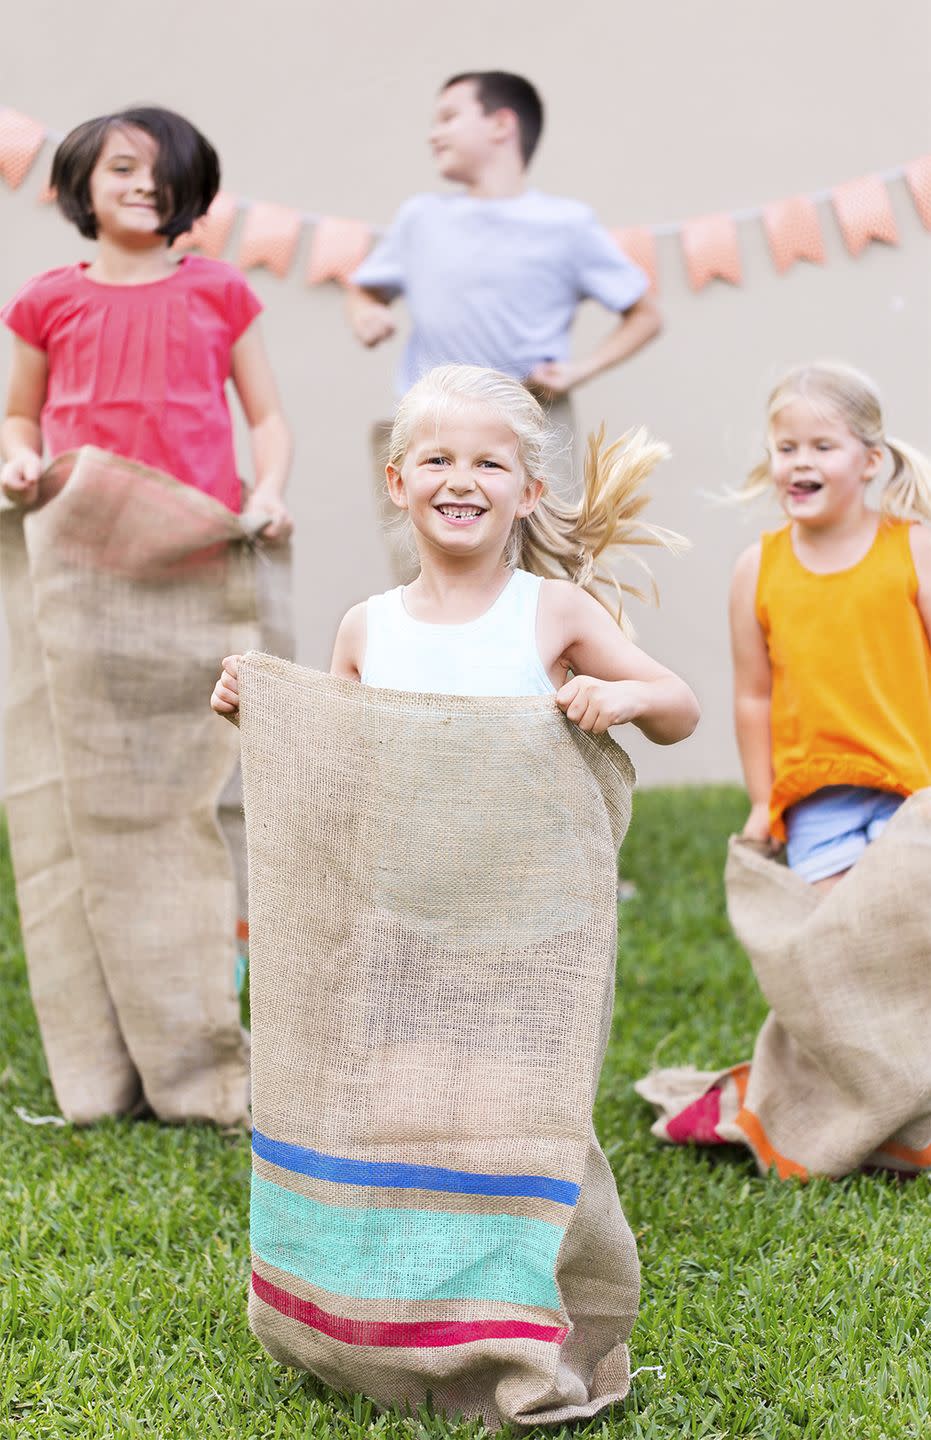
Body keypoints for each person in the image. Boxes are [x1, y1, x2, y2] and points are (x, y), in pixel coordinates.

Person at [213, 363, 697, 746]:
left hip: (528, 870)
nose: (461, 480)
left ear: (528, 493)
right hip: (401, 871)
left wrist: (624, 696)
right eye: (438, 460)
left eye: (488, 463)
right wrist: (259, 712)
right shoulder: (365, 628)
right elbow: (338, 764)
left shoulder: (554, 609)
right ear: (398, 484)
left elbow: (680, 710)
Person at [344, 71, 661, 575]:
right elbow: (363, 288)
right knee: (427, 585)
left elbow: (645, 315)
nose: (434, 133)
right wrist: (366, 312)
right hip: (430, 428)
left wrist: (581, 370)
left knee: (547, 578)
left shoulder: (566, 225)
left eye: (448, 117)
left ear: (501, 124)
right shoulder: (420, 220)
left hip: (528, 422)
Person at [1, 105, 291, 531]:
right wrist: (22, 457)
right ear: (82, 184)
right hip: (78, 530)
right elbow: (19, 415)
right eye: (123, 168)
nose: (146, 185)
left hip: (202, 530)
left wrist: (268, 492)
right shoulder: (44, 300)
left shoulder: (222, 291)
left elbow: (266, 417)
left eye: (165, 172)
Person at [730, 362, 931, 890]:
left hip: (916, 788)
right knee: (838, 944)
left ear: (870, 461)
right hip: (816, 801)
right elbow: (754, 696)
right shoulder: (756, 568)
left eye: (822, 447)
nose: (800, 463)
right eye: (787, 448)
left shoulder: (914, 549)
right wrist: (761, 800)